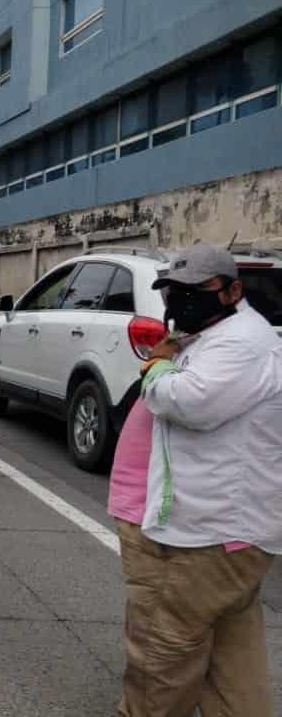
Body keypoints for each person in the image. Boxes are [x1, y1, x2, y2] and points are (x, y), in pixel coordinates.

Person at [114, 243, 282, 717]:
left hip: (207, 534)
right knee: (233, 656)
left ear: (233, 291)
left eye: (196, 291)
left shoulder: (242, 342)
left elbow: (188, 402)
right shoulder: (214, 334)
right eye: (174, 291)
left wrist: (157, 365)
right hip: (219, 530)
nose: (182, 301)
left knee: (163, 652)